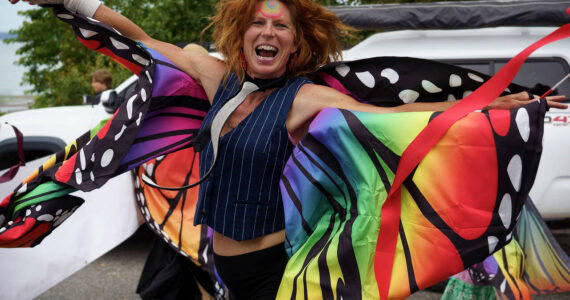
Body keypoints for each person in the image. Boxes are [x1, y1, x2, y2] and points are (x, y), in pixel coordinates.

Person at [9, 0, 567, 299]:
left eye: (281, 25)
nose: (268, 30)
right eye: (258, 20)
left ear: (296, 43)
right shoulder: (214, 77)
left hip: (275, 268)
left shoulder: (305, 96)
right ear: (242, 29)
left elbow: (398, 116)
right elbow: (144, 41)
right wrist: (74, 2)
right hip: (213, 260)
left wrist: (490, 107)